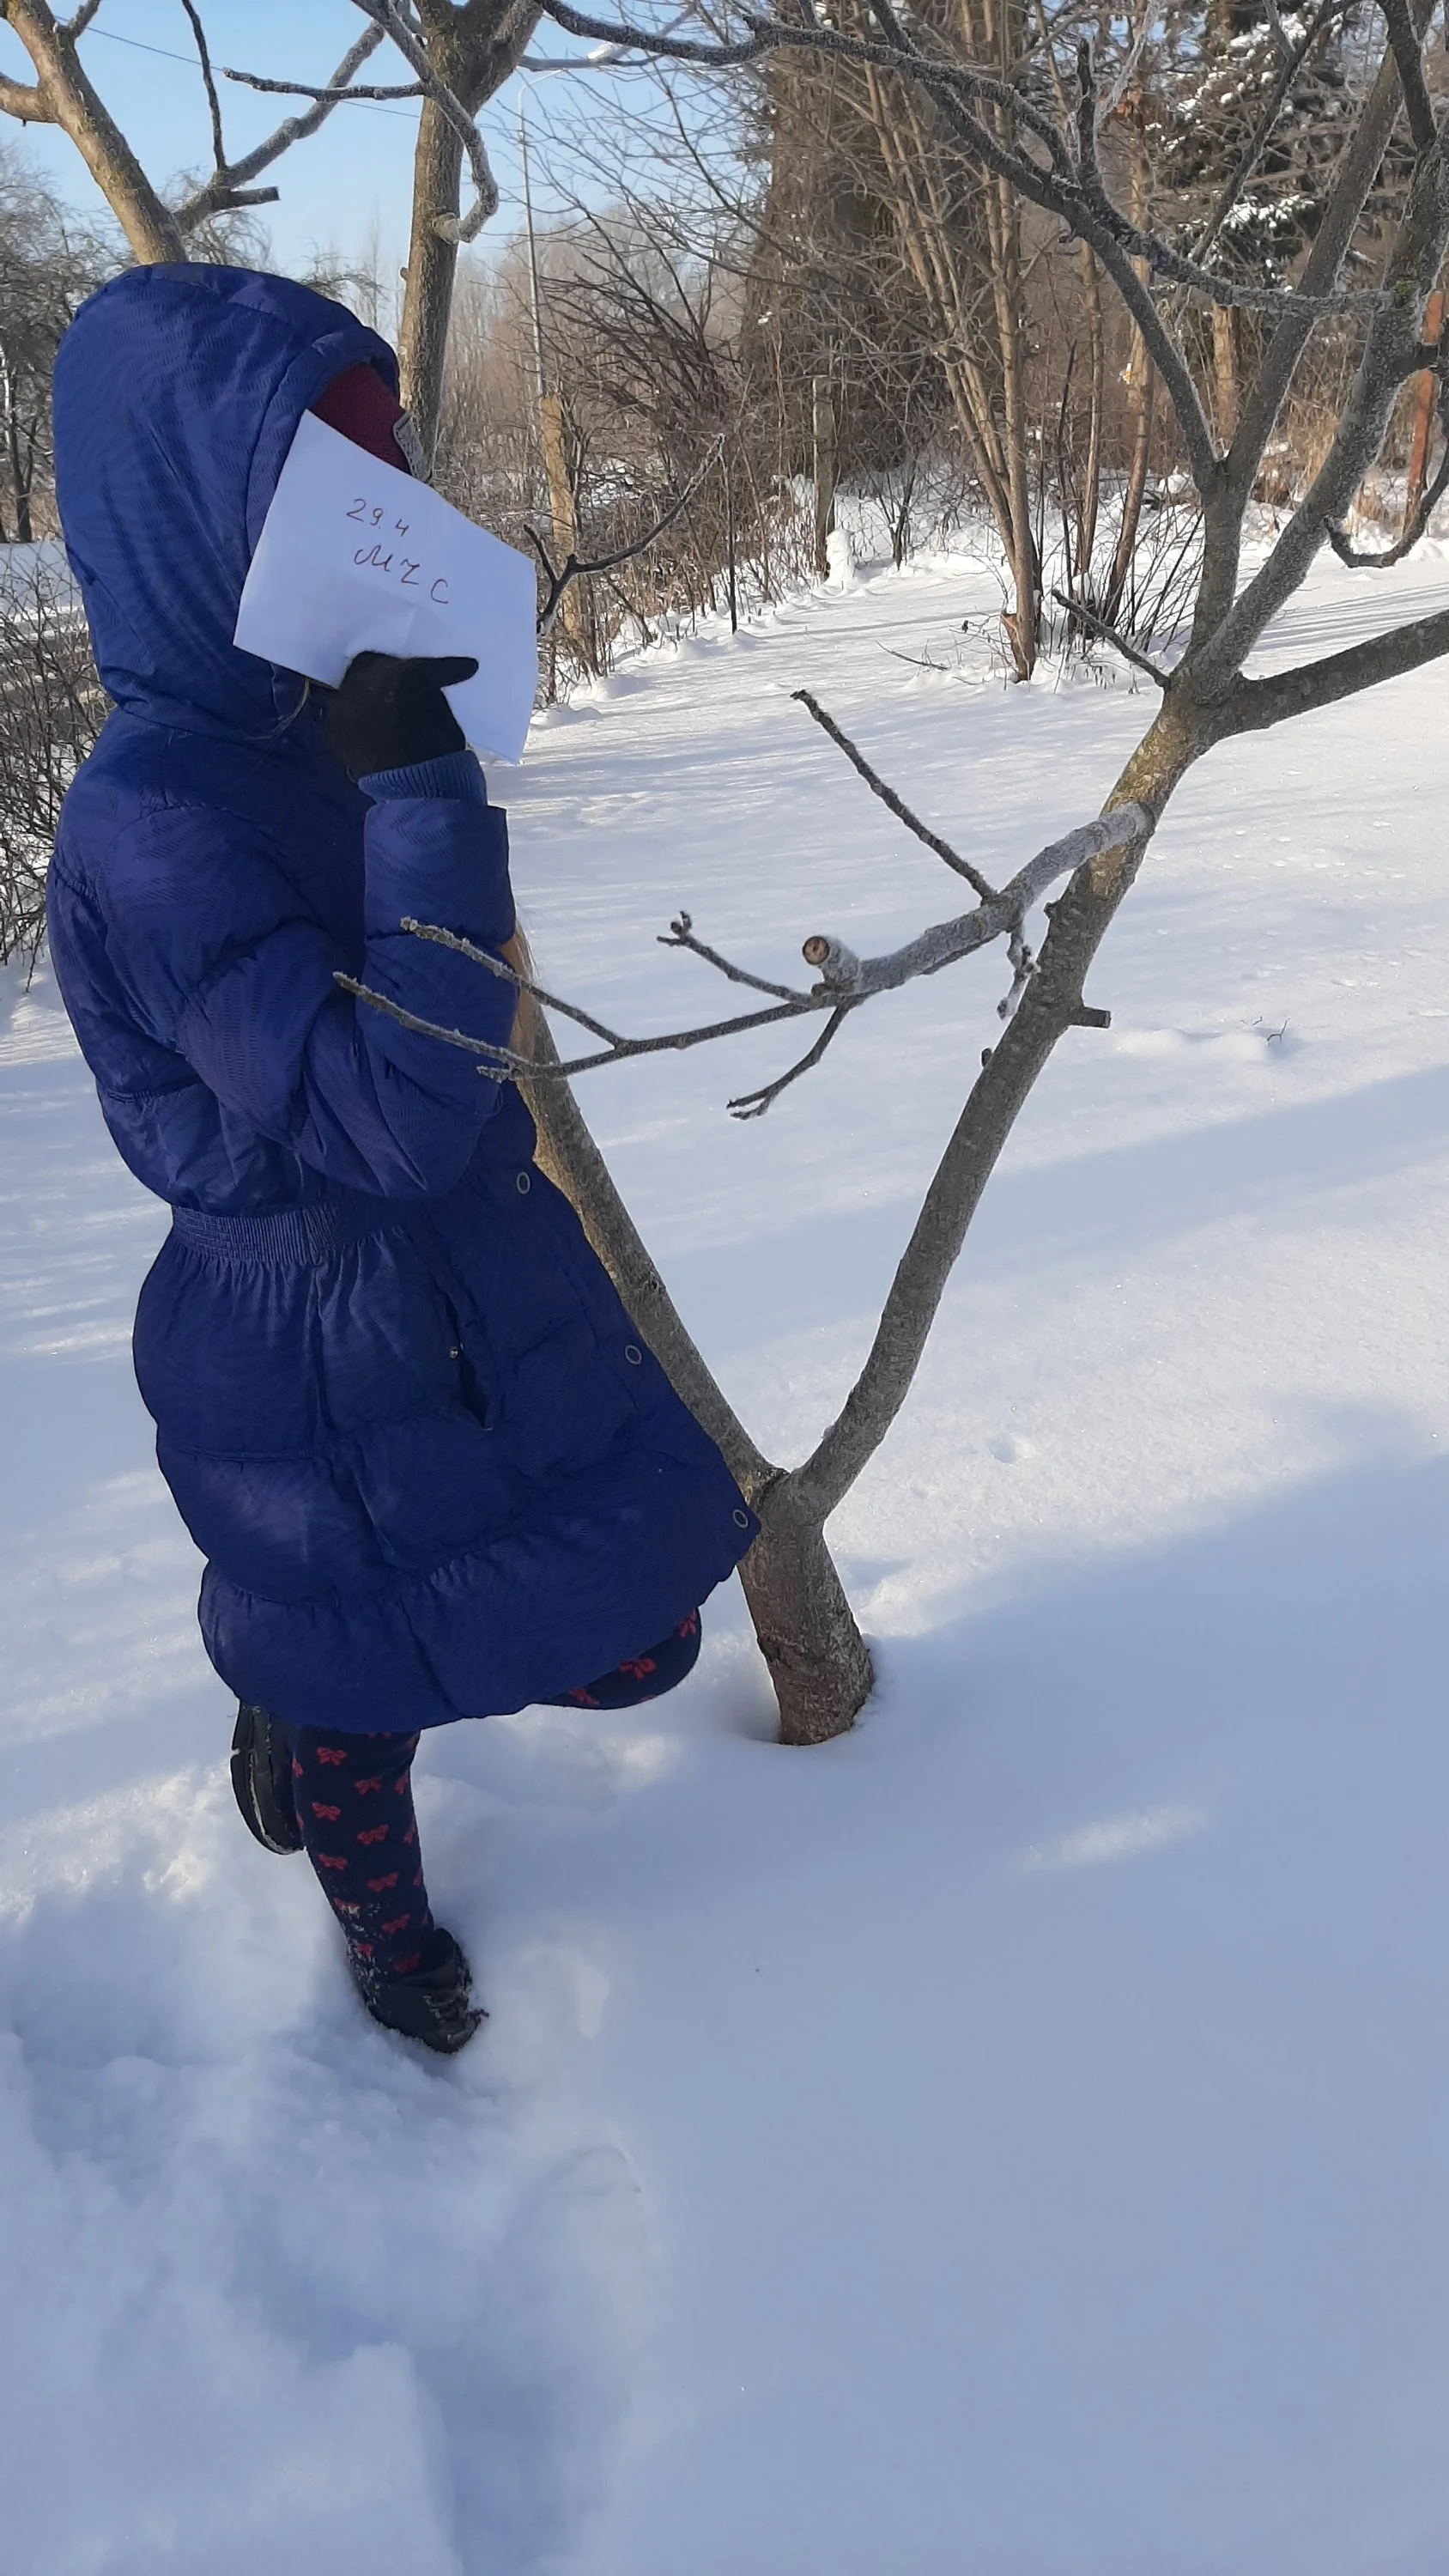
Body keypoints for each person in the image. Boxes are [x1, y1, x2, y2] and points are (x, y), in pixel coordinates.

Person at [45, 265, 758, 2055]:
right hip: (312, 1354)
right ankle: (378, 1924)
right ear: (203, 527)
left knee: (641, 1640)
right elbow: (390, 1116)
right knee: (365, 1711)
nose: (381, 523)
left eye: (388, 480)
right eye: (331, 493)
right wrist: (424, 796)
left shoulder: (305, 725)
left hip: (479, 1294)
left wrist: (398, 762)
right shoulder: (153, 825)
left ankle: (322, 1699)